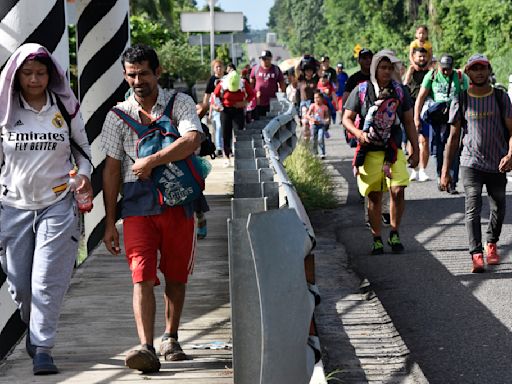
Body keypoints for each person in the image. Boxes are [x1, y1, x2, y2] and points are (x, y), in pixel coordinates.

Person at [100, 44, 204, 373]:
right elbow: (111, 170)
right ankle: (146, 346)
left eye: (144, 73)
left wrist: (151, 160)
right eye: (132, 75)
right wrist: (108, 223)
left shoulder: (179, 102)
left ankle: (170, 338)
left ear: (157, 72)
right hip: (136, 205)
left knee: (175, 275)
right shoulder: (117, 116)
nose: (138, 80)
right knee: (141, 275)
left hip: (179, 202)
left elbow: (192, 139)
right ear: (124, 76)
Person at [0, 43, 92, 375]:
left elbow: (84, 153)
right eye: (27, 73)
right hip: (12, 208)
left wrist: (82, 176)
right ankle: (33, 324)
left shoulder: (65, 108)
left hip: (57, 205)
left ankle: (42, 348)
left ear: (50, 75)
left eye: (40, 73)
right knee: (22, 287)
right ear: (15, 76)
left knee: (45, 282)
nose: (35, 79)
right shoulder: (5, 111)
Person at [342, 50, 419, 255]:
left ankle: (394, 232)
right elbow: (346, 118)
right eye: (382, 67)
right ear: (375, 69)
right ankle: (377, 237)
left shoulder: (400, 91)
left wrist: (415, 148)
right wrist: (359, 134)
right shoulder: (362, 90)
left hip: (393, 149)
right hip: (369, 151)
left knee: (398, 190)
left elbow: (409, 122)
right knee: (374, 197)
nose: (386, 71)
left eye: (390, 68)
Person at [441, 54, 512, 273]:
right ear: (468, 72)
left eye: (483, 68)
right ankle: (476, 253)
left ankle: (492, 243)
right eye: (475, 68)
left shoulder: (500, 97)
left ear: (489, 70)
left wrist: (510, 155)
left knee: (498, 207)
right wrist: (445, 170)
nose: (479, 72)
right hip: (470, 162)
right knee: (472, 207)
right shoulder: (461, 99)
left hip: (498, 162)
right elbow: (453, 138)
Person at [414, 54, 469, 193]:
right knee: (438, 150)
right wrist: (416, 118)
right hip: (437, 117)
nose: (445, 72)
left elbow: (469, 97)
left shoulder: (460, 76)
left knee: (454, 150)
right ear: (439, 66)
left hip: (455, 117)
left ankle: (452, 181)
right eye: (443, 69)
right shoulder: (431, 76)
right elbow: (420, 97)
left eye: (448, 69)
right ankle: (441, 176)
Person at [353, 88, 401, 179]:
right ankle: (387, 165)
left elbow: (368, 120)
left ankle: (356, 166)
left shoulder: (373, 108)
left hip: (371, 136)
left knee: (361, 149)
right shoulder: (392, 110)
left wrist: (365, 132)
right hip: (385, 138)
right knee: (392, 150)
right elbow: (396, 123)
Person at [213, 65, 255, 166]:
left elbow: (251, 95)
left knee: (239, 132)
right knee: (225, 133)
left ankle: (239, 155)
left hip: (238, 110)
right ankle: (227, 156)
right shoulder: (222, 83)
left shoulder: (243, 83)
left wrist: (244, 103)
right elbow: (215, 95)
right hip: (225, 110)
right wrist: (219, 106)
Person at [405, 47, 432, 182]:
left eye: (424, 56)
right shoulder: (411, 70)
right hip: (410, 107)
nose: (421, 59)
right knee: (412, 138)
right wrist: (409, 73)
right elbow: (404, 85)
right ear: (413, 57)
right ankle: (414, 169)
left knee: (424, 140)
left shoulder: (430, 72)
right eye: (419, 56)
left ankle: (422, 170)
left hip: (426, 107)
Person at [249, 50, 285, 119]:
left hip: (272, 101)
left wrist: (282, 96)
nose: (264, 61)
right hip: (259, 101)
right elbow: (251, 84)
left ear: (270, 59)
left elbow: (282, 83)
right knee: (259, 121)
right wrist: (253, 95)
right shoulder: (255, 69)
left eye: (266, 59)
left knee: (271, 121)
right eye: (263, 59)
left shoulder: (276, 69)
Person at [202, 59, 225, 156]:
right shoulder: (212, 80)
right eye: (217, 67)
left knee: (226, 128)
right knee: (219, 127)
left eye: (220, 66)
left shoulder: (227, 78)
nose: (219, 68)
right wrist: (204, 108)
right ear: (214, 69)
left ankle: (227, 147)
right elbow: (207, 95)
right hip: (216, 107)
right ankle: (219, 147)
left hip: (227, 106)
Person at [305, 90, 330, 159]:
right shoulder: (312, 106)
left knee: (320, 138)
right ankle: (314, 152)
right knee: (313, 139)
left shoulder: (325, 107)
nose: (316, 99)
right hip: (313, 125)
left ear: (322, 98)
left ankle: (322, 153)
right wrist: (312, 119)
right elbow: (307, 115)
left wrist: (326, 121)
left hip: (321, 125)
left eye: (318, 97)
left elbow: (327, 117)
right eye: (315, 98)